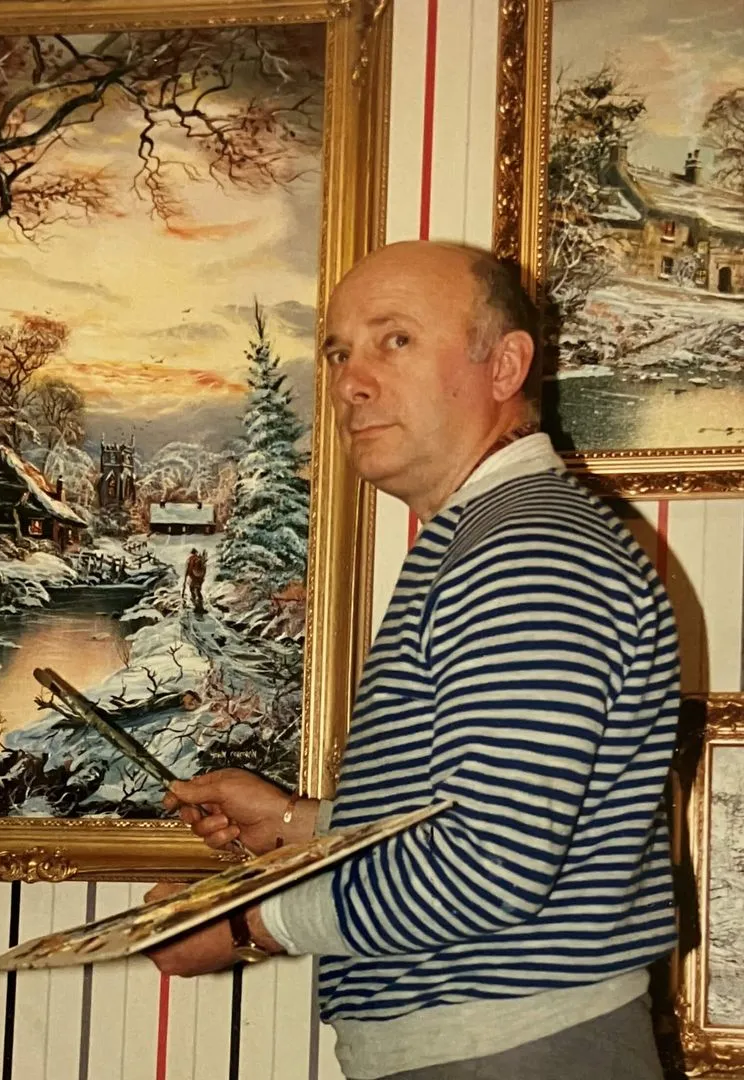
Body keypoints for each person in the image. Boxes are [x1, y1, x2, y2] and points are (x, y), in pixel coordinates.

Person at [145, 241, 679, 1079]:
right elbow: (481, 822)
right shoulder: (488, 540)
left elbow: (484, 866)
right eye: (338, 351)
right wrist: (299, 825)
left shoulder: (524, 552)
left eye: (394, 340)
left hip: (510, 1049)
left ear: (504, 365)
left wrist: (247, 921)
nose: (350, 381)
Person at [183, 547, 207, 615]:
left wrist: (185, 580)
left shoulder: (189, 560)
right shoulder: (199, 559)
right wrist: (202, 578)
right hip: (199, 579)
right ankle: (200, 607)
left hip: (192, 578)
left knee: (192, 591)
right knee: (198, 591)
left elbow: (187, 570)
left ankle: (196, 607)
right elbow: (204, 570)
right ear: (196, 553)